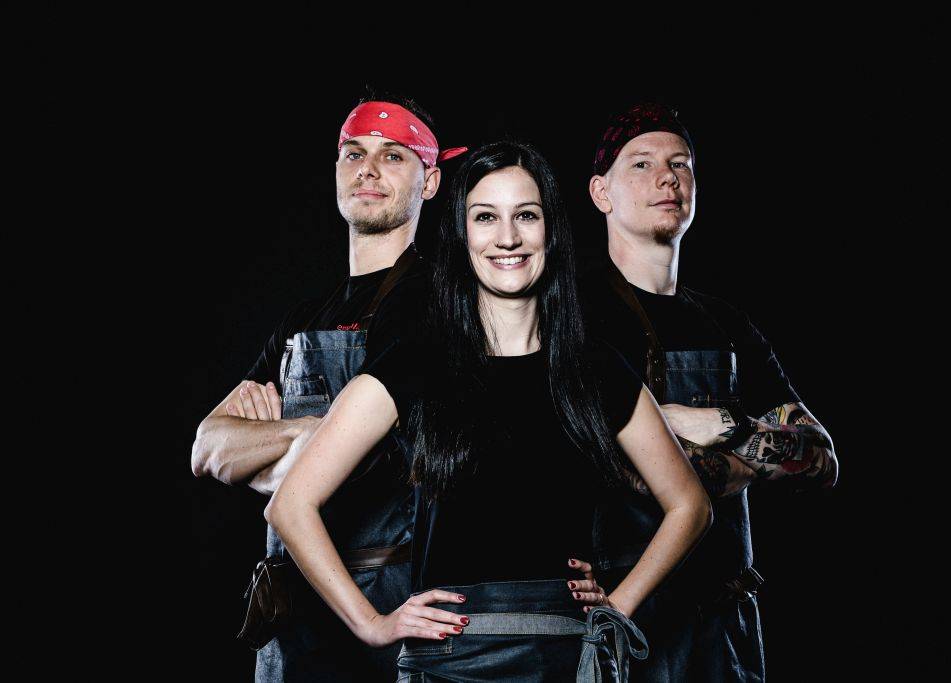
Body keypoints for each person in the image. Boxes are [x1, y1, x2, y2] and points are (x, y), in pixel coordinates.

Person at [264, 141, 713, 682]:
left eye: (526, 215)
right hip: (450, 662)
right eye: (485, 217)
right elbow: (291, 505)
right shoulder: (416, 364)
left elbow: (691, 506)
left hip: (567, 661)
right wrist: (372, 623)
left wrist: (618, 604)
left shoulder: (595, 368)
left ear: (550, 231)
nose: (507, 237)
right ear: (462, 236)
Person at [190, 91, 464, 681]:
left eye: (394, 155)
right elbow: (206, 448)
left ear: (431, 181)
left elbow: (377, 470)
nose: (368, 169)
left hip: (389, 600)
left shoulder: (436, 304)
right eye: (354, 153)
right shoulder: (304, 317)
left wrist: (266, 453)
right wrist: (307, 433)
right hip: (290, 619)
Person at [582, 102, 840, 681]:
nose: (667, 178)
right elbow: (598, 464)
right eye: (642, 163)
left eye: (680, 164)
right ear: (601, 193)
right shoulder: (577, 317)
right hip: (626, 621)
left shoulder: (724, 324)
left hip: (725, 630)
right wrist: (752, 462)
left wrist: (720, 424)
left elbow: (822, 459)